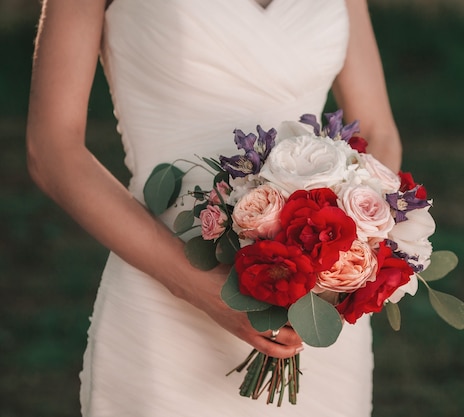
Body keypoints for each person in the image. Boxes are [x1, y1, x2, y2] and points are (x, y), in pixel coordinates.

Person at [26, 0, 402, 415]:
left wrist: (350, 242)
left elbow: (378, 129)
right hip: (163, 296)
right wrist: (202, 289)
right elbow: (52, 150)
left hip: (313, 311)